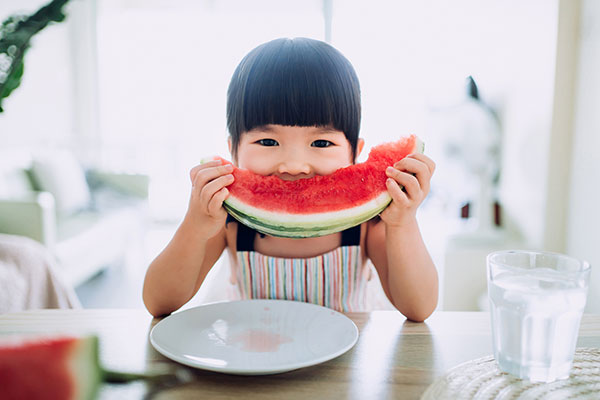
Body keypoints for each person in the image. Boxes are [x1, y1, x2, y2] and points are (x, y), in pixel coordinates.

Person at [143, 37, 438, 321]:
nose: (295, 165)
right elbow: (159, 302)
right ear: (233, 149)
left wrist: (403, 222)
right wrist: (195, 226)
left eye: (321, 143)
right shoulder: (227, 224)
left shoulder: (368, 225)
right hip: (254, 365)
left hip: (343, 369)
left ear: (355, 154)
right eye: (268, 142)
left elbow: (418, 307)